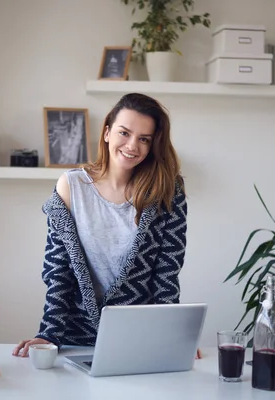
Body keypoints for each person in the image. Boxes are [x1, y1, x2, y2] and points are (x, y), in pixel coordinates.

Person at [12, 92, 197, 358]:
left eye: (144, 139)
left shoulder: (167, 190)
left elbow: (166, 275)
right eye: (124, 133)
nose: (132, 146)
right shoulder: (71, 186)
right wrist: (48, 333)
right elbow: (58, 270)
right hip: (73, 340)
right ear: (107, 133)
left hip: (140, 340)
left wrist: (170, 335)